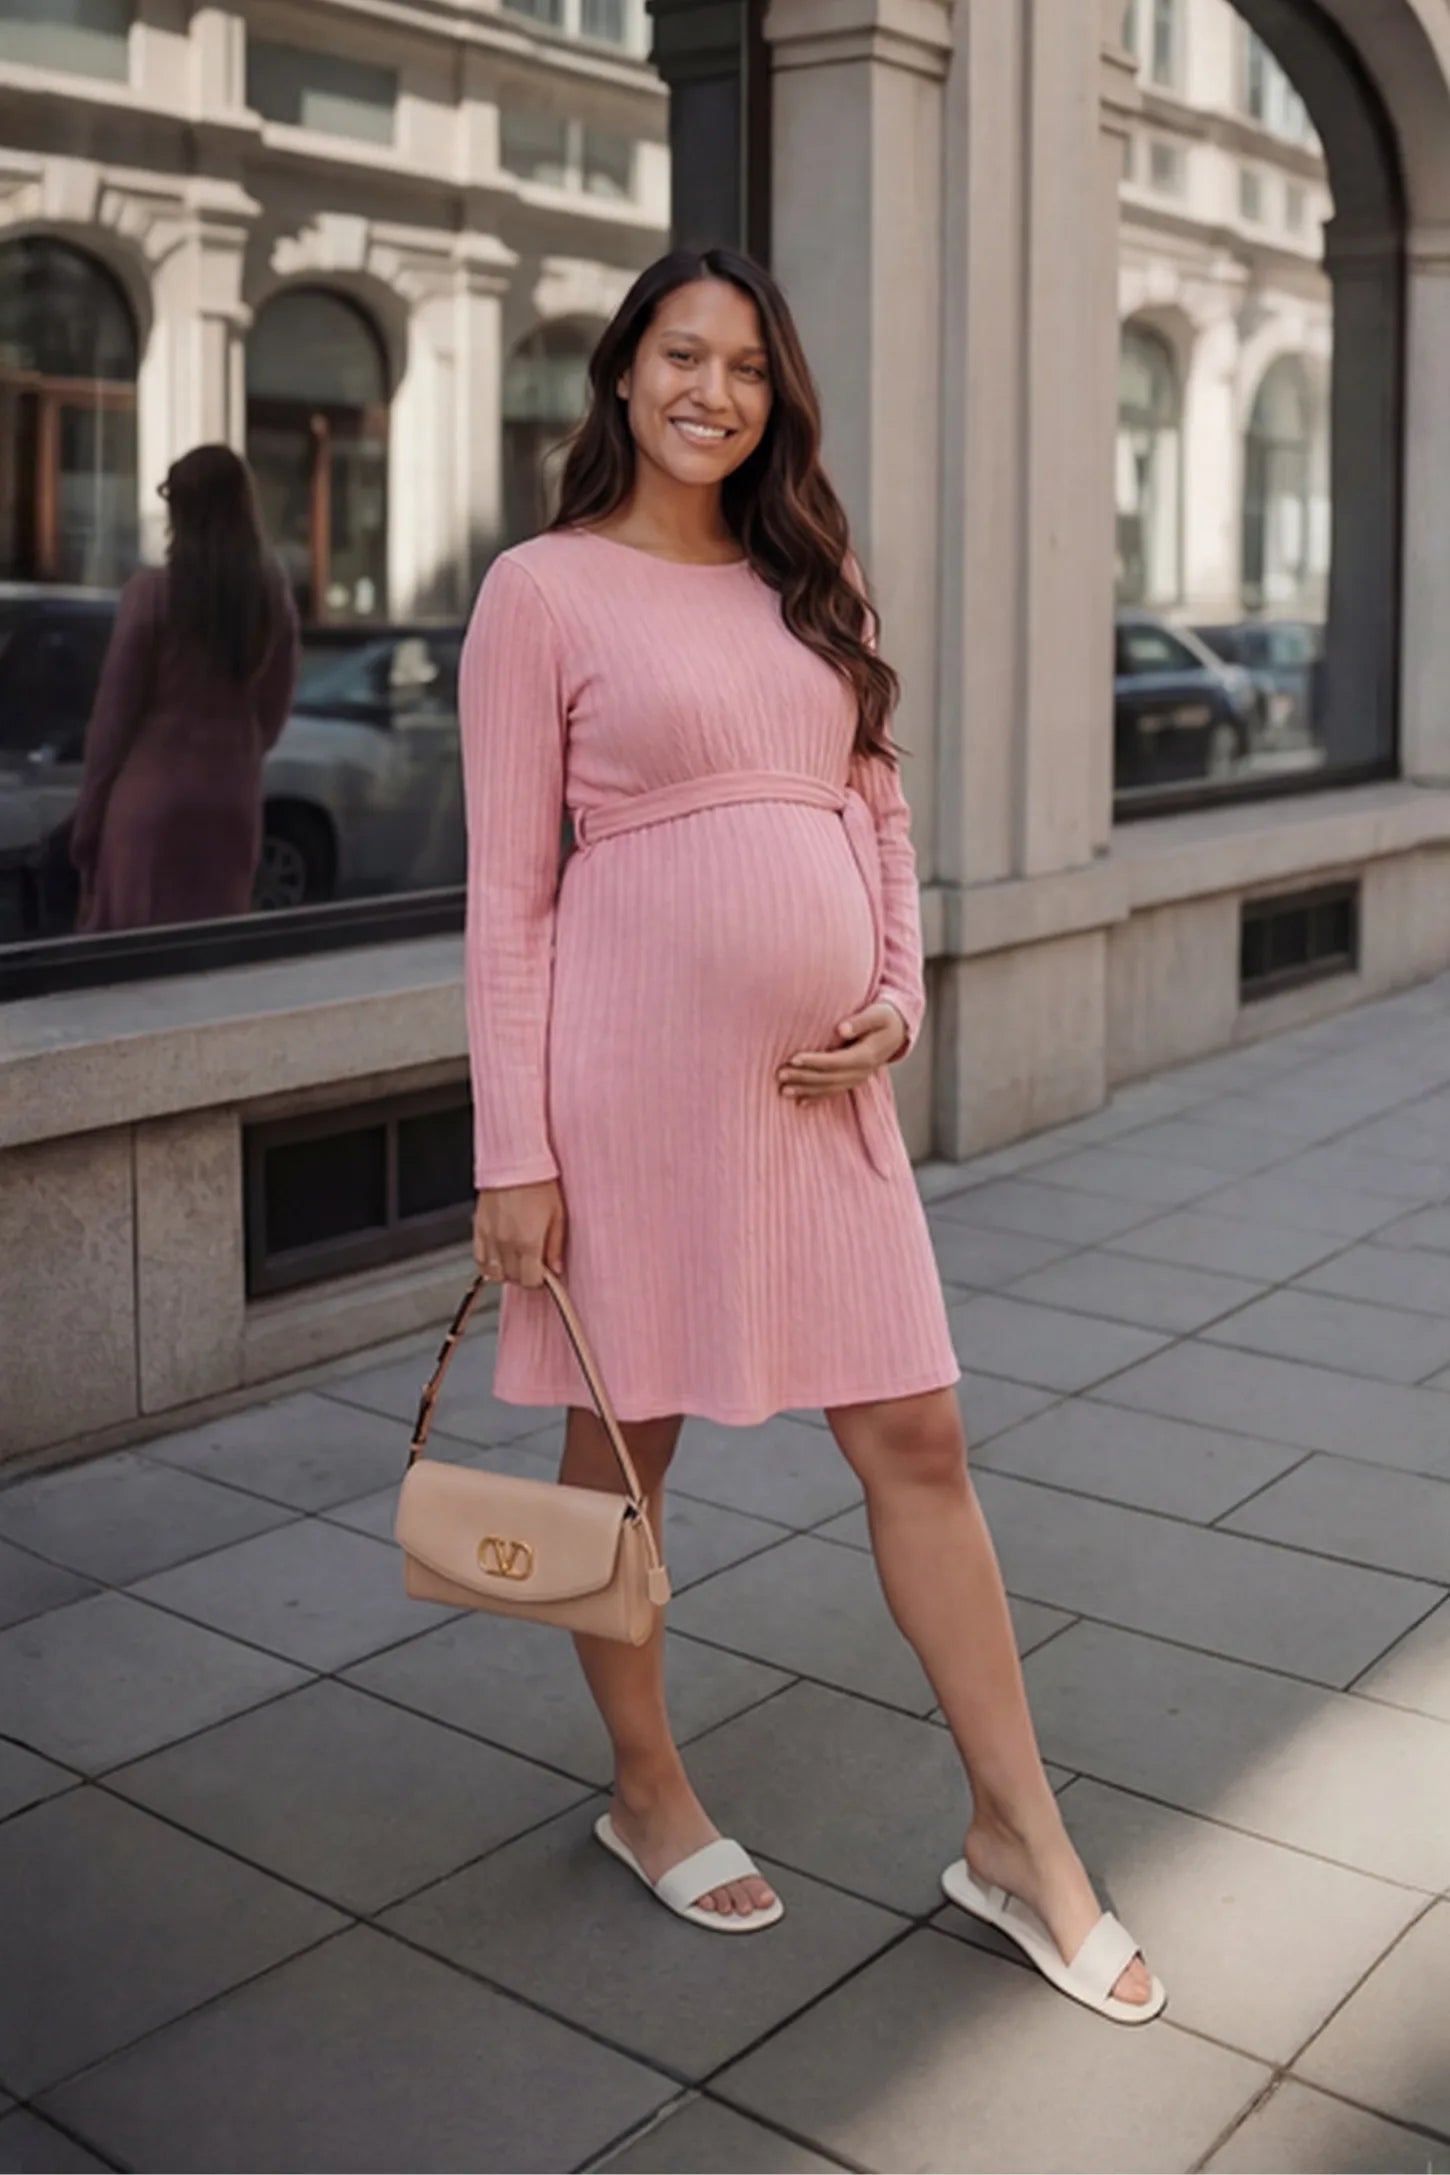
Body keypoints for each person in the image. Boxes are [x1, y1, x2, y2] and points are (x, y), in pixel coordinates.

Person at [462, 247, 1165, 2024]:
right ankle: (645, 1789)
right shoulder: (541, 590)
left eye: (748, 367)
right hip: (625, 1088)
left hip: (820, 1093)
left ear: (777, 398)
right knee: (626, 1445)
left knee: (918, 1432)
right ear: (623, 374)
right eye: (680, 354)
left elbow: (880, 811)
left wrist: (899, 1001)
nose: (713, 390)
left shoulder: (809, 576)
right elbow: (507, 896)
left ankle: (1017, 1832)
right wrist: (510, 1151)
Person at [70, 443, 299, 933]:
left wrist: (86, 831)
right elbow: (273, 714)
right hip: (230, 803)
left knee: (135, 962)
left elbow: (112, 725)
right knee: (211, 961)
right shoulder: (271, 598)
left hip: (150, 803)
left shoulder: (151, 595)